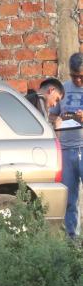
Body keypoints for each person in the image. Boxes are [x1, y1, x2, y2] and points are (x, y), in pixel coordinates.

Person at [53, 53, 83, 239]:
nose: (78, 80)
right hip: (65, 149)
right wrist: (57, 119)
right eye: (74, 76)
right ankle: (72, 241)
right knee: (69, 200)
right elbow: (52, 115)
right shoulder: (63, 89)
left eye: (82, 76)